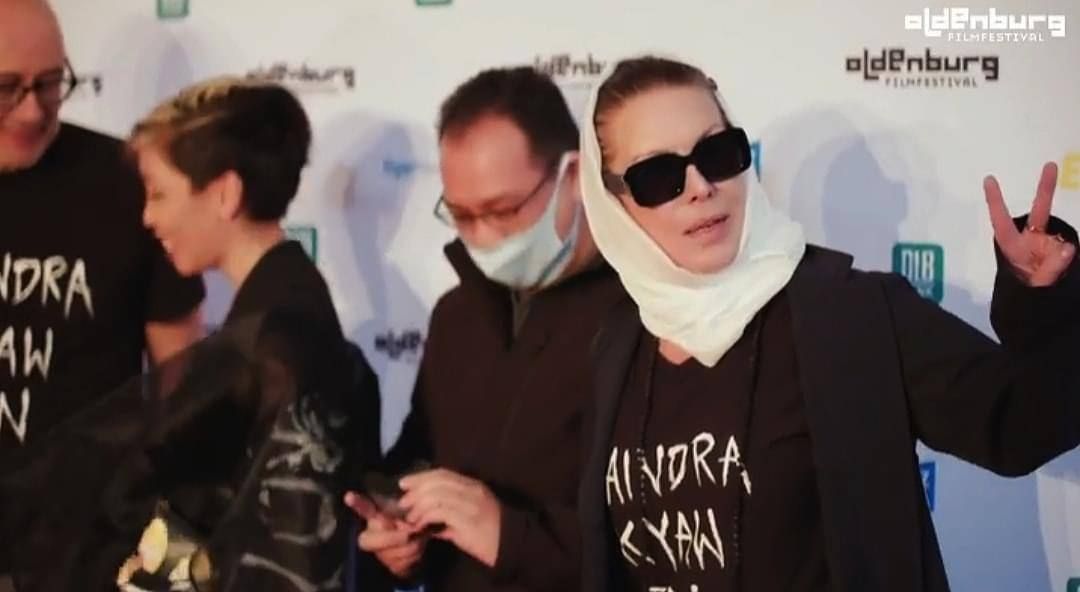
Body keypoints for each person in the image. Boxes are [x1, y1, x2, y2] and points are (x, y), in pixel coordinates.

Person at [574, 55, 1080, 592]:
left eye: (717, 153)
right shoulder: (616, 344)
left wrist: (1043, 295)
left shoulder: (854, 316)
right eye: (657, 176)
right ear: (613, 203)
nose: (700, 186)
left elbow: (1020, 426)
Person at [1, 77, 382, 591]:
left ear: (224, 194)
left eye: (159, 194)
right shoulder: (272, 320)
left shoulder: (281, 342)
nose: (147, 217)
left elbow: (279, 552)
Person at [344, 66, 623, 592]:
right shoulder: (457, 316)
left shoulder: (642, 317)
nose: (484, 238)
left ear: (574, 176)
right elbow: (418, 456)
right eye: (462, 216)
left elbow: (663, 543)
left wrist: (506, 534)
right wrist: (400, 532)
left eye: (503, 210)